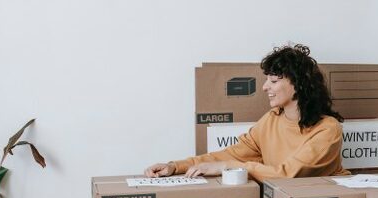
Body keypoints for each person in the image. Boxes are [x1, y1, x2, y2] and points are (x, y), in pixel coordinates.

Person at [144, 44, 350, 182]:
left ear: (299, 84)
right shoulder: (271, 120)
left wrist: (227, 167)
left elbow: (289, 174)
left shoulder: (328, 129)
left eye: (274, 81)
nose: (264, 87)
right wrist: (175, 166)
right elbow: (231, 154)